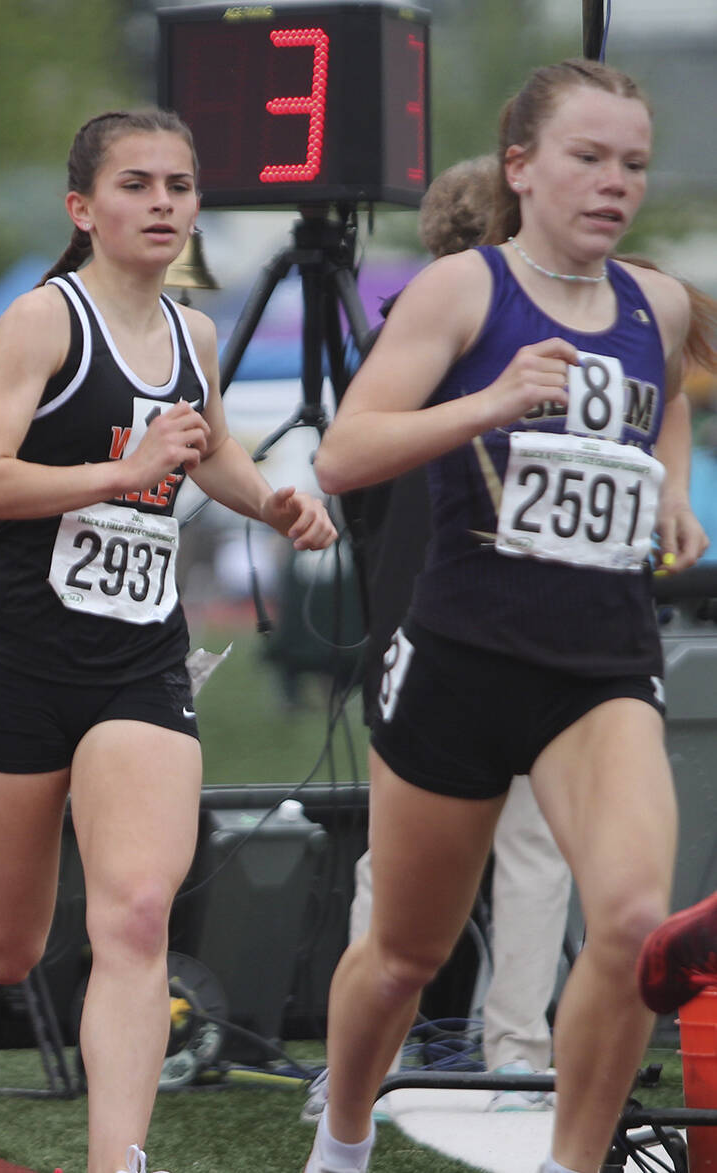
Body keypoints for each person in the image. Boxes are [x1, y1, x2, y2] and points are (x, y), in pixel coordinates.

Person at [0, 108, 335, 1173]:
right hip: (16, 657)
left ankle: (115, 1161)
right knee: (8, 942)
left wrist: (267, 499)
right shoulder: (47, 321)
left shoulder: (196, 333)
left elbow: (207, 445)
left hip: (138, 659)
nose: (164, 205)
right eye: (138, 185)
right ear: (84, 208)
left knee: (136, 913)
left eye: (180, 186)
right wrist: (119, 475)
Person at [304, 60, 716, 1173]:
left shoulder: (656, 300)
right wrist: (487, 401)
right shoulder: (464, 292)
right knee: (401, 955)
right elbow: (341, 455)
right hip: (462, 660)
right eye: (588, 158)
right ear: (523, 168)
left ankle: (568, 1166)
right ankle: (341, 1143)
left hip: (602, 665)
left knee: (633, 925)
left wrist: (672, 482)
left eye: (632, 163)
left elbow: (672, 389)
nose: (613, 183)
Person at [302, 155, 573, 1123]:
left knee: (394, 859)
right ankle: (517, 1059)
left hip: (413, 621)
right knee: (533, 851)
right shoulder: (539, 332)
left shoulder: (398, 335)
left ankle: (358, 1064)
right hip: (524, 619)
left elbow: (355, 488)